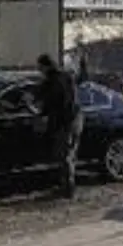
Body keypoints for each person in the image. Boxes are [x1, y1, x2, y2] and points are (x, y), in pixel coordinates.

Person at [37, 53, 82, 197]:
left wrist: (42, 113)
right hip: (75, 119)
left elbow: (54, 102)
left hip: (66, 122)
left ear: (45, 66)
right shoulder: (65, 76)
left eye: (40, 67)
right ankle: (66, 186)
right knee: (68, 154)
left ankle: (68, 189)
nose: (39, 70)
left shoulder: (54, 81)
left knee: (65, 155)